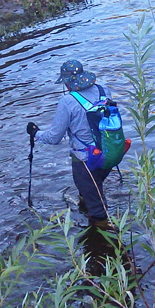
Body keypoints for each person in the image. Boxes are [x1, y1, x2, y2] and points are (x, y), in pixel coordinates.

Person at [26, 60, 115, 228]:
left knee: (97, 211)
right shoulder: (104, 90)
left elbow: (54, 137)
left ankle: (103, 239)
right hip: (110, 153)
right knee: (92, 188)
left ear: (67, 82)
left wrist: (35, 133)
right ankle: (86, 200)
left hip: (85, 160)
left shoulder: (67, 101)